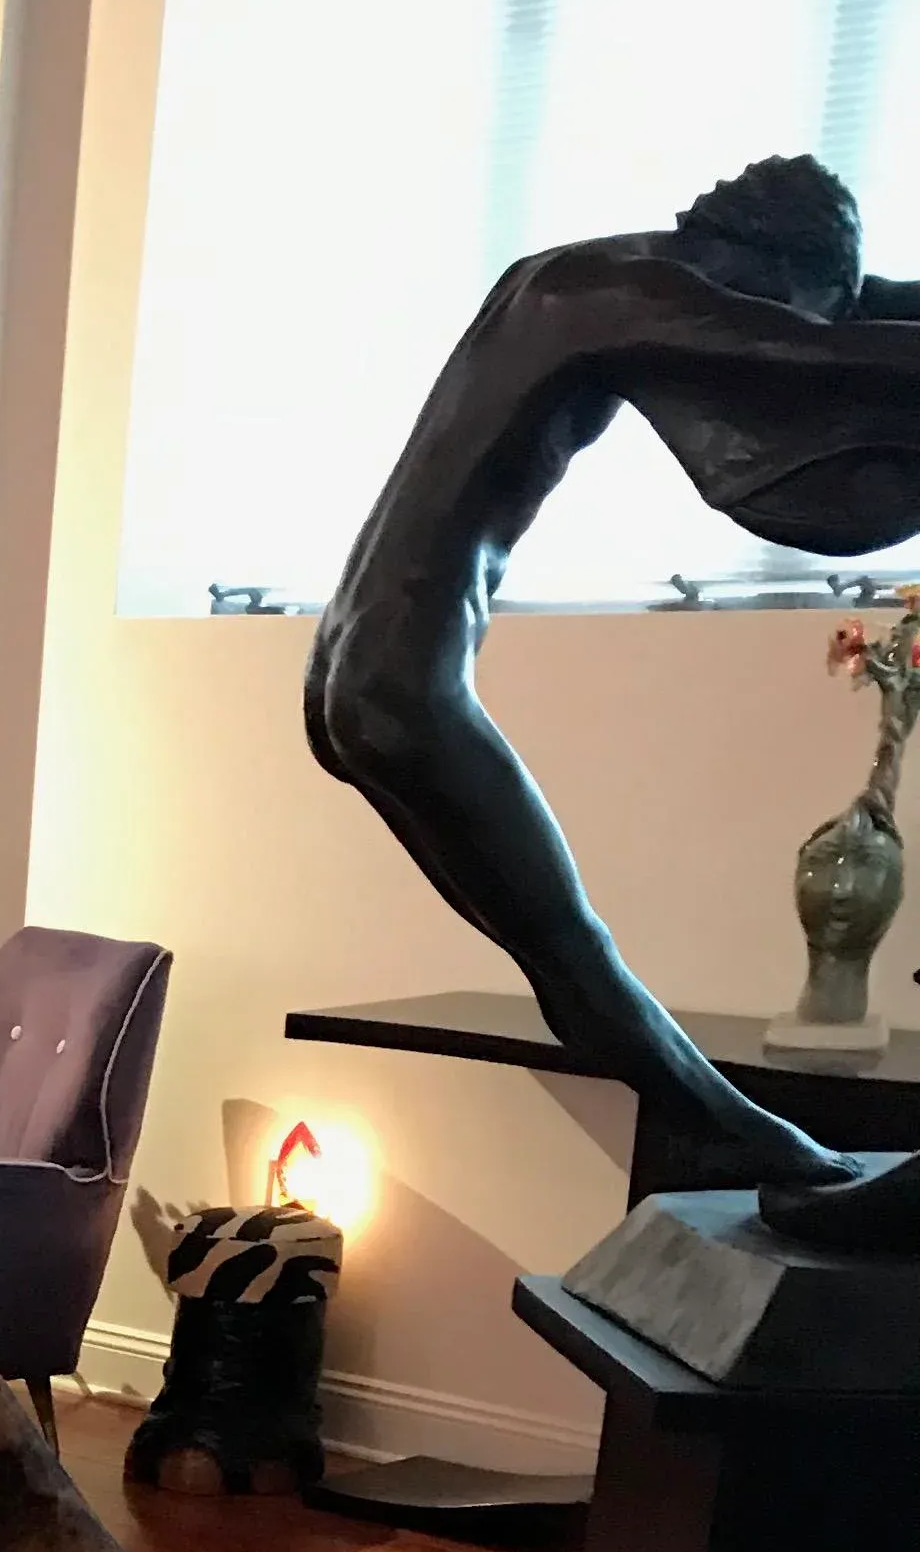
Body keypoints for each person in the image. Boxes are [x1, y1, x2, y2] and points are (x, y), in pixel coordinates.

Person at [308, 153, 920, 1232]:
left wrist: (866, 296)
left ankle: (771, 1147)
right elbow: (800, 348)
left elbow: (835, 315)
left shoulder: (574, 278)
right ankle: (785, 1154)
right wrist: (845, 322)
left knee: (560, 957)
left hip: (365, 672)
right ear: (769, 265)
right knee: (572, 947)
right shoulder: (610, 296)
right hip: (404, 683)